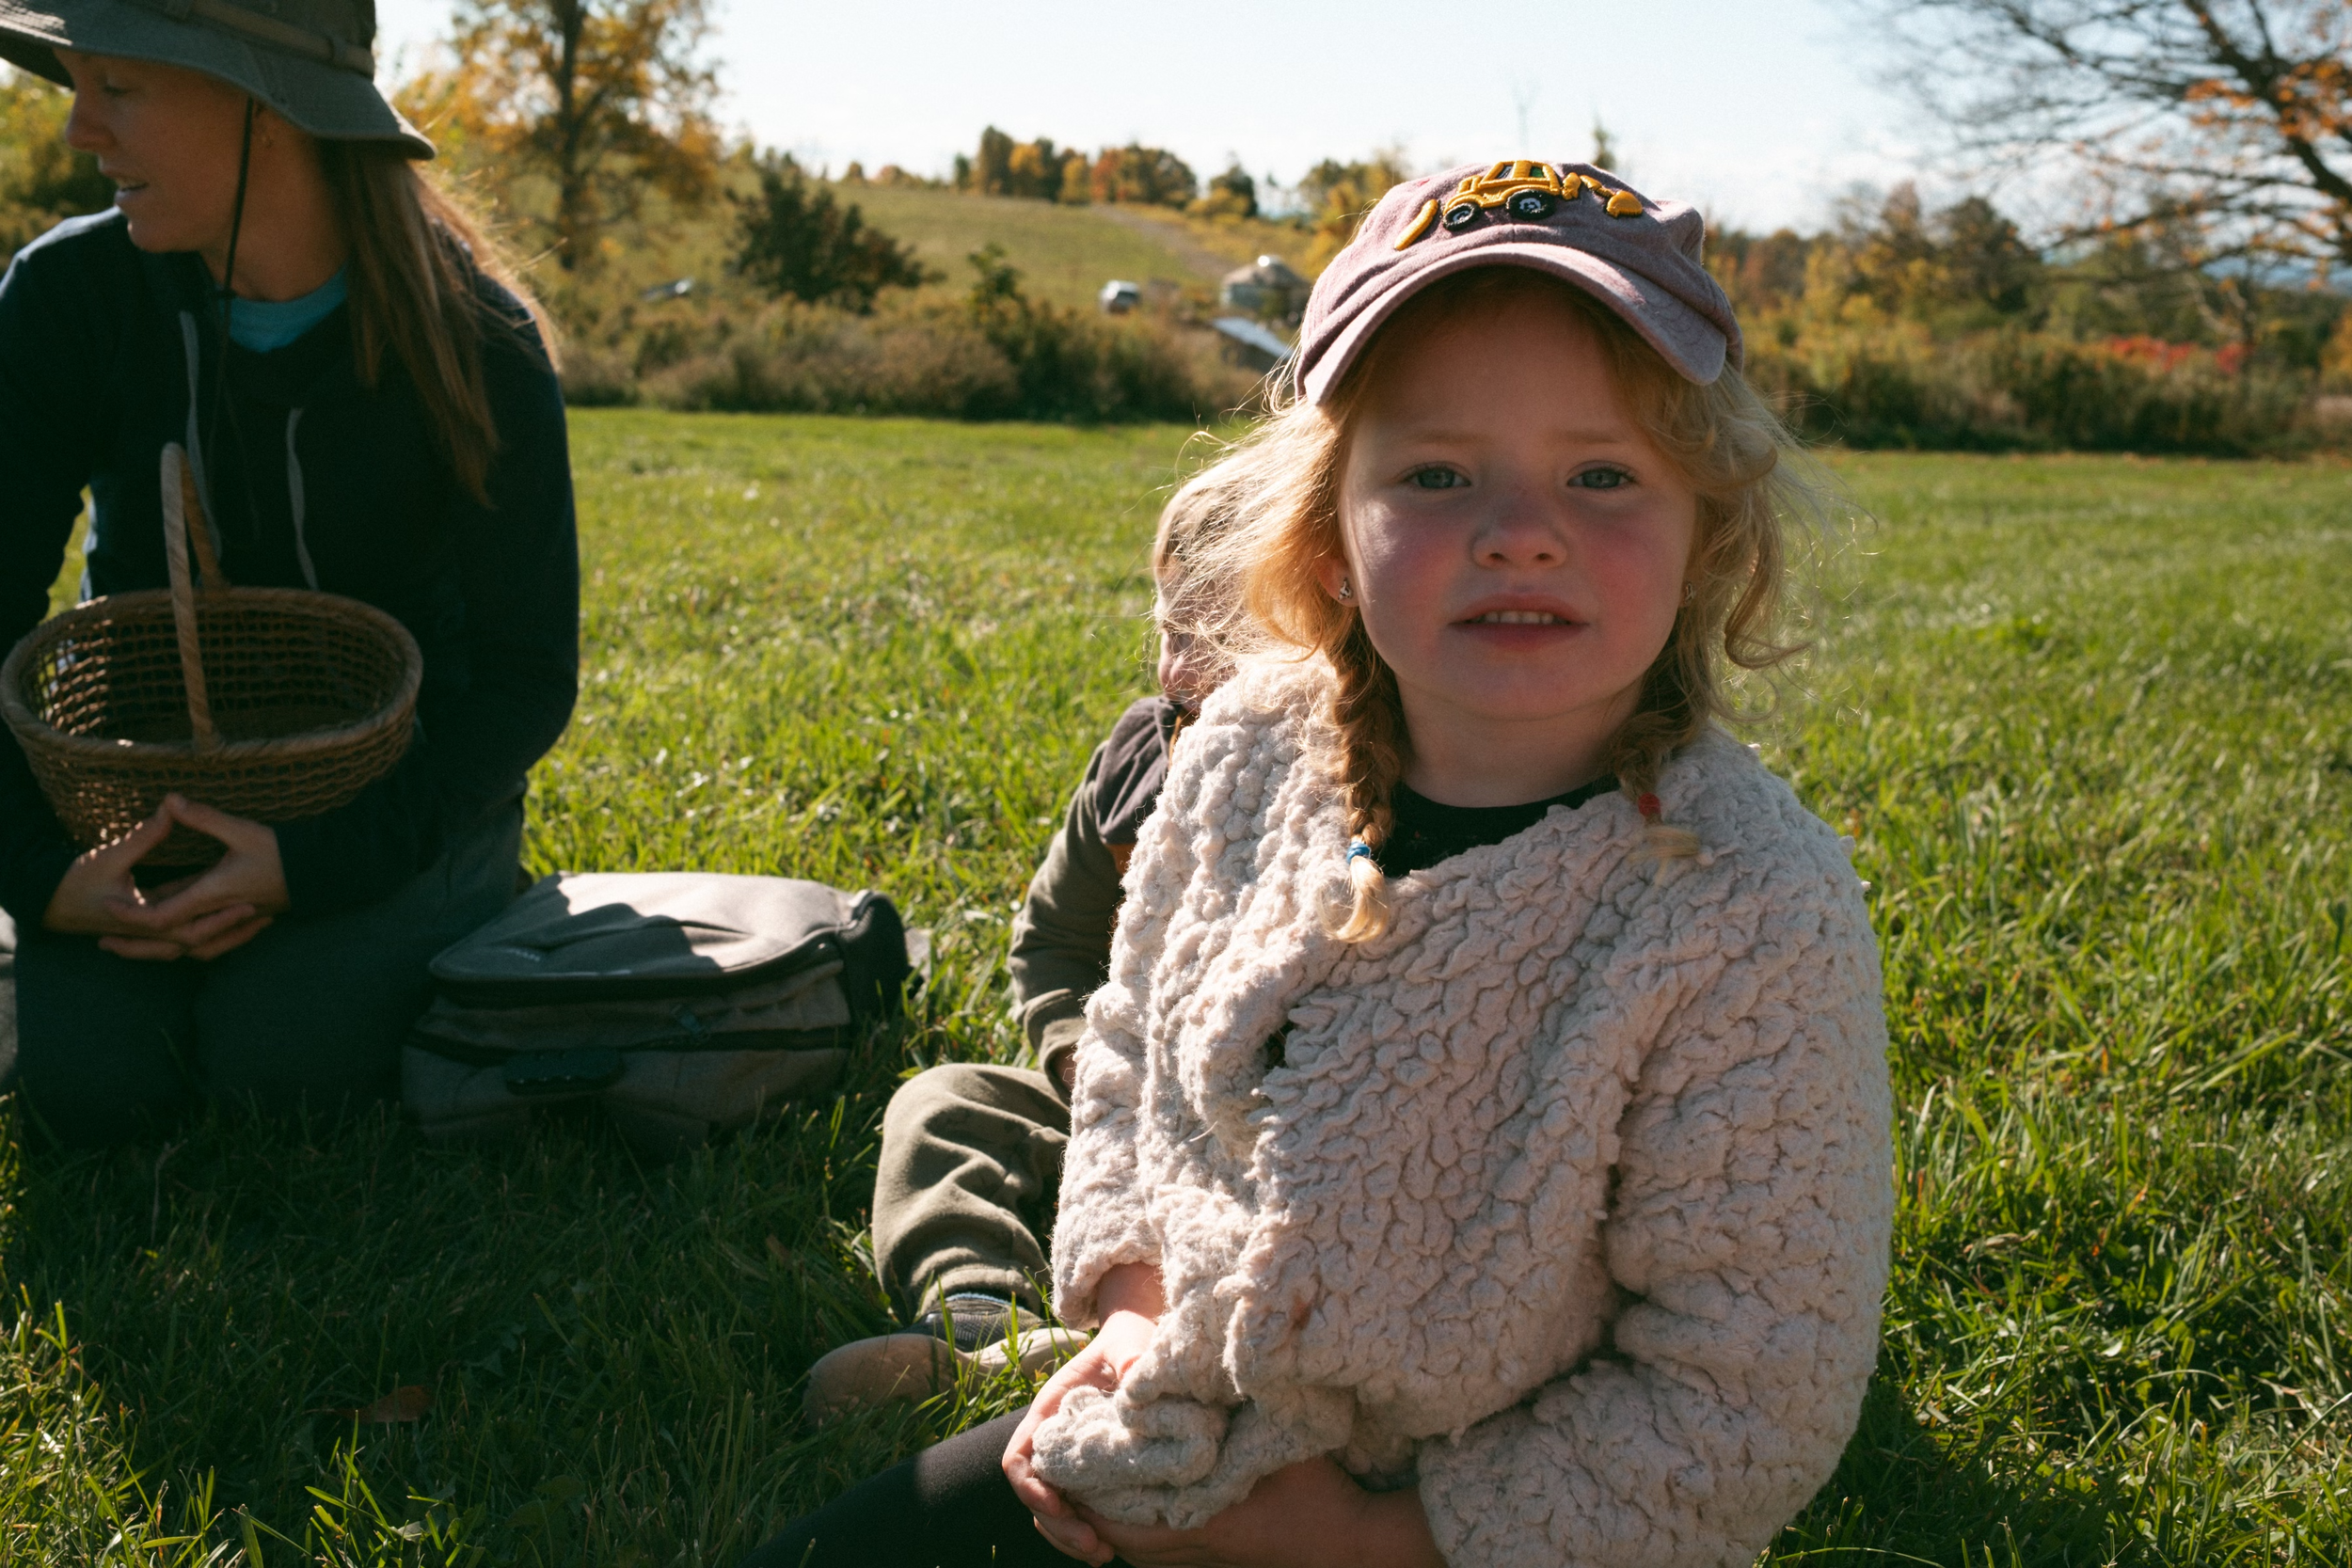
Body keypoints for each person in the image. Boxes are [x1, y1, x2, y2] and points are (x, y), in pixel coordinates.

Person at [739, 161, 1892, 1568]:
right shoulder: (1244, 753)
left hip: (1475, 1524)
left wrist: (1356, 1536)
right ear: (1331, 534)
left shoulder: (1743, 901)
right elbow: (1131, 1054)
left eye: (1602, 474)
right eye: (1436, 472)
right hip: (1185, 1426)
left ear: (1709, 531)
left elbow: (1745, 1391)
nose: (1520, 527)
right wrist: (1132, 1312)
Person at [0, 0, 577, 1148]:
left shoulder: (477, 340)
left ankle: (466, 895)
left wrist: (310, 865)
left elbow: (522, 677)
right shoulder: (67, 299)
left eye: (119, 86)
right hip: (134, 788)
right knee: (95, 1084)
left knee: (286, 1065)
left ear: (268, 104)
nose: (80, 134)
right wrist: (43, 873)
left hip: (393, 796)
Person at [803, 471, 1237, 1421]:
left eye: (1228, 644)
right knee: (947, 1103)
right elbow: (1054, 938)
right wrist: (1079, 1052)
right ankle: (982, 1329)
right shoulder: (1142, 758)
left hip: (1260, 1128)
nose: (1183, 672)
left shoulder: (1356, 785)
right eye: (1173, 631)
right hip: (1127, 1091)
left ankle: (1172, 1349)